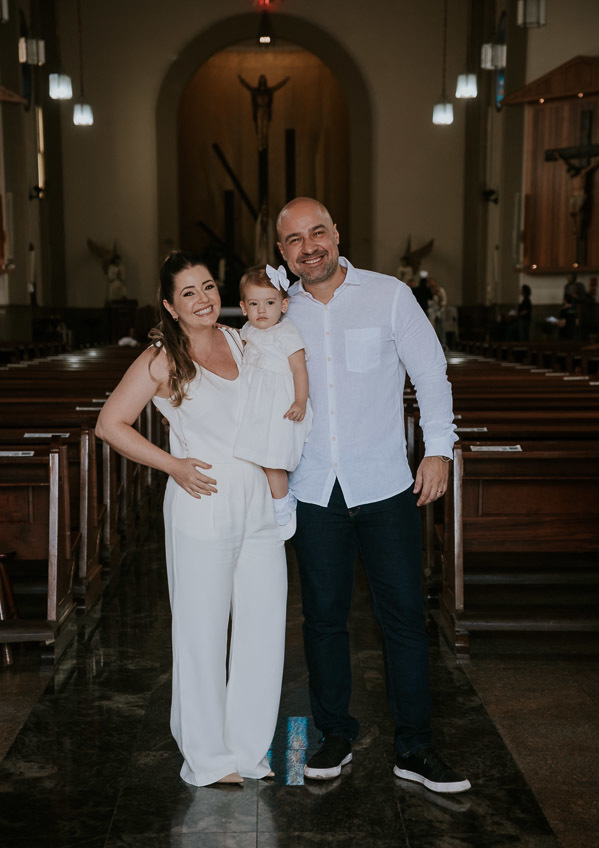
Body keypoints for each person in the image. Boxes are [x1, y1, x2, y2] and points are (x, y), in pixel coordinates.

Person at [276, 197, 471, 794]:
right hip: (314, 489)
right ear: (281, 252)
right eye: (294, 240)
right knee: (324, 621)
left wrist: (438, 449)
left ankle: (414, 748)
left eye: (317, 232)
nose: (309, 246)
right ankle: (335, 733)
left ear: (337, 233)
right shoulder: (277, 315)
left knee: (405, 622)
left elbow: (431, 373)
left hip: (386, 485)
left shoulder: (389, 294)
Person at [96, 251, 287, 787]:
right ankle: (207, 758)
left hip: (258, 493)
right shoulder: (162, 358)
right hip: (202, 494)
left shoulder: (244, 338)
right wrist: (173, 465)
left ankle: (250, 750)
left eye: (207, 286)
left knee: (264, 624)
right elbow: (111, 424)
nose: (203, 298)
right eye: (189, 293)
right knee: (202, 630)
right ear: (169, 305)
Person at [234, 264, 312, 539]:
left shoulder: (286, 332)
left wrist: (300, 401)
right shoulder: (247, 330)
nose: (262, 310)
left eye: (269, 302)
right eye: (254, 304)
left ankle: (283, 502)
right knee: (251, 455)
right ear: (244, 307)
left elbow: (299, 368)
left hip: (279, 404)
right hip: (255, 401)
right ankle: (261, 503)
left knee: (272, 458)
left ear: (284, 304)